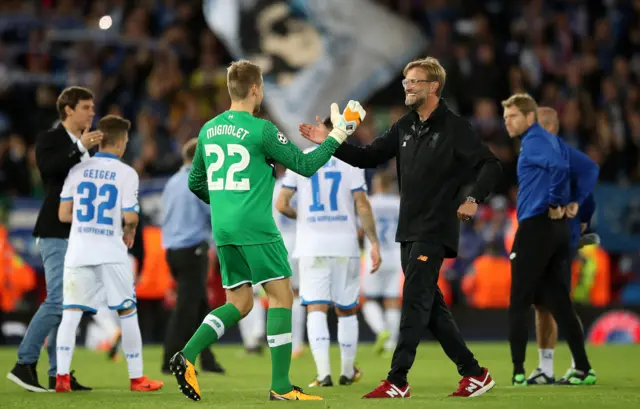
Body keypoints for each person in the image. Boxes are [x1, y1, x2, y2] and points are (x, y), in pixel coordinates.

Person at [300, 56, 501, 398]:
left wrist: (474, 198)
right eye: (405, 81)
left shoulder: (454, 127)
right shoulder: (405, 126)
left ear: (433, 87)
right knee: (430, 306)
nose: (407, 86)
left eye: (414, 81)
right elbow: (367, 156)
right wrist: (330, 140)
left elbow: (490, 164)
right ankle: (474, 373)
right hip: (408, 230)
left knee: (413, 301)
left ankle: (397, 380)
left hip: (435, 228)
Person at [168, 59, 366, 402]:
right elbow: (304, 166)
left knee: (240, 302)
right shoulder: (262, 130)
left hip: (225, 229)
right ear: (256, 89)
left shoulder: (207, 129)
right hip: (256, 226)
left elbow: (195, 181)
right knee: (281, 296)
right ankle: (281, 386)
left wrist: (225, 202)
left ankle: (185, 355)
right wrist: (338, 134)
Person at [54, 115, 163, 392]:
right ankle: (137, 378)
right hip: (111, 250)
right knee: (126, 311)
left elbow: (64, 214)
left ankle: (62, 377)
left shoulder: (77, 170)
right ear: (121, 142)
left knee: (71, 313)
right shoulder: (126, 173)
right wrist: (129, 230)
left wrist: (85, 221)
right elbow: (130, 216)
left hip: (78, 249)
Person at [7, 86, 100, 392]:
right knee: (58, 301)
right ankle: (24, 364)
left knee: (70, 305)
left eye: (92, 107)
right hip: (54, 230)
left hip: (80, 232)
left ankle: (58, 373)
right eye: (86, 107)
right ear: (68, 110)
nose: (92, 112)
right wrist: (81, 149)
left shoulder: (90, 145)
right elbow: (49, 170)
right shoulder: (50, 139)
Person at [501, 93, 596, 386]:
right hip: (557, 230)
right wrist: (575, 203)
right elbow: (586, 168)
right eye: (505, 118)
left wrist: (557, 201)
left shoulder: (534, 140)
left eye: (513, 116)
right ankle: (582, 368)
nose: (507, 123)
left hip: (536, 226)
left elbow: (557, 167)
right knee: (557, 300)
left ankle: (518, 372)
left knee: (519, 300)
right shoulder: (556, 142)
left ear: (530, 118)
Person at [276, 145, 381, 387]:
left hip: (312, 245)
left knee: (315, 307)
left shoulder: (300, 157)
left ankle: (323, 374)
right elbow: (362, 204)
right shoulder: (351, 160)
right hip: (345, 245)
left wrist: (301, 217)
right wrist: (373, 241)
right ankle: (347, 371)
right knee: (347, 309)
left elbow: (281, 204)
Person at [526, 107, 599, 385]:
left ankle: (581, 366)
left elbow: (588, 191)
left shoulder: (564, 158)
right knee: (542, 306)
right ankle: (546, 368)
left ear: (550, 128)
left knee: (560, 304)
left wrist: (575, 222)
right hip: (540, 240)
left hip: (556, 241)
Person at [161, 138, 224, 374]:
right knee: (187, 309)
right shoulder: (199, 181)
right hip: (193, 249)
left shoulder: (172, 182)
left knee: (199, 306)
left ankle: (207, 359)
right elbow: (214, 216)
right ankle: (171, 359)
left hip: (172, 250)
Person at [359, 171, 402, 356]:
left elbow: (360, 230)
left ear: (377, 185)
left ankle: (381, 330)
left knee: (368, 298)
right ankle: (391, 344)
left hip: (374, 256)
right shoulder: (400, 203)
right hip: (396, 256)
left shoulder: (369, 202)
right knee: (392, 300)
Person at [272, 165, 305, 358]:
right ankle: (297, 343)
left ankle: (281, 341)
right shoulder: (303, 184)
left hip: (280, 244)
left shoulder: (274, 187)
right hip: (302, 242)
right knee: (299, 294)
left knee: (281, 294)